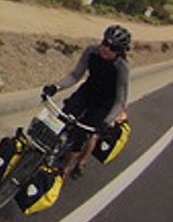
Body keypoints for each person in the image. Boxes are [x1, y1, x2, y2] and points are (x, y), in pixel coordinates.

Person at [41, 24, 131, 180]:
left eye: (112, 47)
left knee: (83, 135)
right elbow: (76, 75)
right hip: (87, 92)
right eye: (104, 43)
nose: (106, 48)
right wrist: (56, 87)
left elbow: (120, 99)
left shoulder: (122, 67)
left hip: (104, 103)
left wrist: (107, 122)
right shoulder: (92, 51)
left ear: (120, 51)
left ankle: (71, 166)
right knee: (61, 120)